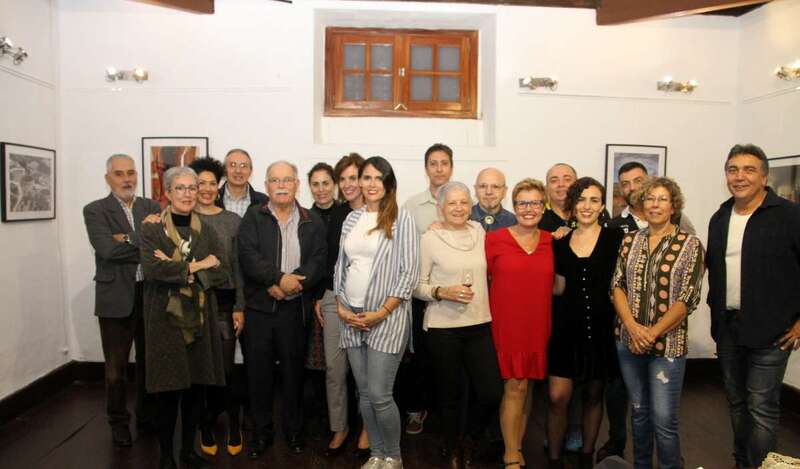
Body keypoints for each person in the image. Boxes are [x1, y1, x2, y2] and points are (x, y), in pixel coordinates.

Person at [706, 144, 800, 469]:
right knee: (736, 403)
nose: (739, 176)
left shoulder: (790, 216)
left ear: (764, 176)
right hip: (729, 328)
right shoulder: (719, 218)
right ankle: (742, 463)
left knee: (760, 405)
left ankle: (762, 466)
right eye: (733, 169)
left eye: (748, 170)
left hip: (773, 331)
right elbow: (715, 272)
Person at [611, 177, 705, 469]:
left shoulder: (689, 245)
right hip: (628, 341)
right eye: (650, 198)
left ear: (673, 205)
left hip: (668, 346)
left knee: (664, 419)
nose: (655, 204)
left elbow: (687, 298)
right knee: (638, 412)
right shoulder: (630, 241)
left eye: (662, 199)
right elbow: (617, 286)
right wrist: (633, 328)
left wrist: (651, 333)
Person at [139, 166, 228, 469]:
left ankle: (188, 452)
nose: (188, 193)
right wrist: (197, 265)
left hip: (201, 318)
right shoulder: (152, 229)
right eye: (181, 188)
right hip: (165, 321)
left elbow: (222, 271)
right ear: (167, 192)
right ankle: (166, 457)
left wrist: (179, 269)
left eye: (193, 188)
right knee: (168, 393)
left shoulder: (207, 228)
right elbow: (153, 271)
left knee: (195, 390)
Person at [237, 161, 327, 458]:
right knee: (258, 377)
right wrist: (277, 280)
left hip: (294, 310)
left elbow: (318, 260)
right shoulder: (253, 217)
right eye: (275, 180)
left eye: (287, 180)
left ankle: (294, 432)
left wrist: (294, 283)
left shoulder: (312, 220)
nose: (281, 185)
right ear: (266, 184)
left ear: (297, 184)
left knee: (293, 377)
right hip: (261, 308)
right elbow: (248, 257)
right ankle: (261, 434)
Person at [334, 156, 419, 469]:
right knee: (364, 394)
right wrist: (341, 307)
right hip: (352, 316)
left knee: (381, 394)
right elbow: (341, 267)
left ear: (388, 184)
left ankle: (393, 456)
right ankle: (377, 453)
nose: (369, 184)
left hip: (386, 317)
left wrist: (382, 312)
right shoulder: (351, 219)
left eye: (375, 178)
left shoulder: (402, 219)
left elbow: (408, 273)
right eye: (364, 178)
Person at [415, 181, 503, 469]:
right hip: (443, 328)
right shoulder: (430, 238)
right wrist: (442, 291)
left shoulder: (479, 231)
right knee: (449, 394)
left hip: (479, 323)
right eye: (452, 203)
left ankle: (469, 438)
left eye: (464, 202)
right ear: (440, 207)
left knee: (491, 391)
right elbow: (417, 286)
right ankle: (452, 446)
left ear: (471, 204)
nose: (458, 208)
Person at [83, 154, 160, 447]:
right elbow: (106, 251)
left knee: (148, 364)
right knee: (115, 369)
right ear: (108, 178)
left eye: (130, 173)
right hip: (115, 297)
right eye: (119, 174)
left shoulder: (151, 206)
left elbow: (160, 246)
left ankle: (146, 417)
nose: (126, 179)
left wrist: (125, 238)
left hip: (149, 294)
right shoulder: (95, 210)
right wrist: (142, 237)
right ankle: (118, 423)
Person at [546, 178, 623, 469]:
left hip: (601, 327)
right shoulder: (561, 241)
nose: (587, 206)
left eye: (593, 200)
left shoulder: (616, 239)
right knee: (557, 397)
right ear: (572, 205)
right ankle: (553, 460)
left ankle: (585, 457)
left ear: (602, 205)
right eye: (581, 200)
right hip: (565, 327)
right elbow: (558, 287)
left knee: (594, 394)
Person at [486, 178, 554, 469]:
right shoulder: (494, 239)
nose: (529, 209)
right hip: (507, 324)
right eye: (522, 203)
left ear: (544, 206)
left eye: (535, 203)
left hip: (538, 324)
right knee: (515, 387)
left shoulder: (553, 241)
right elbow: (482, 277)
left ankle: (517, 442)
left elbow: (559, 283)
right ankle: (511, 452)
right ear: (513, 207)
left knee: (526, 389)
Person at [187, 157, 246, 458]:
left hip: (224, 303)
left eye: (213, 183)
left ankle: (234, 423)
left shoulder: (232, 221)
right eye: (201, 184)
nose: (208, 189)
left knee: (225, 370)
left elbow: (238, 267)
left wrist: (239, 306)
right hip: (191, 304)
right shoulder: (181, 219)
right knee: (199, 371)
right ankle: (206, 424)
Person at [314, 153, 372, 457]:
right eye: (344, 179)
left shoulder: (379, 214)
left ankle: (367, 427)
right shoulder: (337, 215)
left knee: (364, 372)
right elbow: (329, 262)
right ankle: (340, 427)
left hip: (369, 302)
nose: (349, 184)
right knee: (335, 370)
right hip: (334, 299)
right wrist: (322, 297)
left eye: (355, 177)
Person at [401, 143, 454, 434]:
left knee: (447, 356)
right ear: (426, 169)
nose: (438, 169)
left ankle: (444, 410)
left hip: (455, 292)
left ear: (451, 167)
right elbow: (404, 247)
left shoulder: (462, 201)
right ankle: (416, 408)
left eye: (444, 163)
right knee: (420, 353)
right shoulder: (411, 205)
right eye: (433, 163)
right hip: (422, 292)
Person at [606, 161, 696, 235]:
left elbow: (691, 247)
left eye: (638, 181)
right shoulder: (612, 226)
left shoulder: (676, 217)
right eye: (625, 184)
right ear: (620, 189)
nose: (632, 187)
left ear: (648, 182)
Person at [215, 148, 267, 217]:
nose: (238, 170)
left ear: (250, 171)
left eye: (243, 166)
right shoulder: (212, 199)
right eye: (233, 165)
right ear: (225, 170)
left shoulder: (264, 202)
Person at [471, 167, 516, 232]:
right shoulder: (464, 219)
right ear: (475, 190)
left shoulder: (514, 222)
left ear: (505, 191)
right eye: (483, 186)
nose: (488, 192)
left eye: (495, 187)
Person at [539, 163, 577, 238]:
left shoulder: (591, 213)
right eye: (554, 181)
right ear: (546, 188)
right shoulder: (537, 219)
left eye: (567, 179)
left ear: (577, 184)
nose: (561, 184)